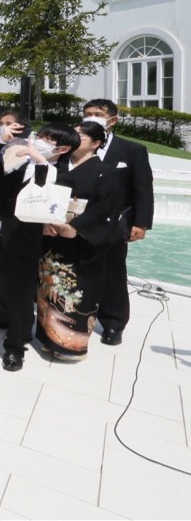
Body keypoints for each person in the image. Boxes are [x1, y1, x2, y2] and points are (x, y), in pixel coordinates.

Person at [0, 122, 76, 372]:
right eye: (40, 135)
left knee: (18, 298)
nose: (39, 140)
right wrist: (0, 141)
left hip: (21, 242)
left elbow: (48, 198)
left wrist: (40, 160)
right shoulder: (14, 158)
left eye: (48, 139)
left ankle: (15, 347)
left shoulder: (59, 173)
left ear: (62, 149)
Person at [35, 121, 124, 360]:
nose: (75, 138)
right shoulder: (57, 165)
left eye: (81, 136)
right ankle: (46, 337)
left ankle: (69, 344)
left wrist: (75, 227)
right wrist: (44, 220)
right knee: (48, 285)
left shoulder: (106, 172)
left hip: (81, 239)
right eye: (73, 134)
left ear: (96, 144)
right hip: (51, 233)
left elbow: (105, 210)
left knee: (77, 289)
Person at [82, 98, 153, 346]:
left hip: (115, 222)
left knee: (113, 272)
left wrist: (141, 223)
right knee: (80, 269)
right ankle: (80, 316)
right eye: (87, 114)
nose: (91, 117)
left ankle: (113, 323)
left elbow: (143, 189)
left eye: (97, 114)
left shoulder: (132, 151)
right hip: (79, 220)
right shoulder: (77, 145)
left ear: (113, 120)